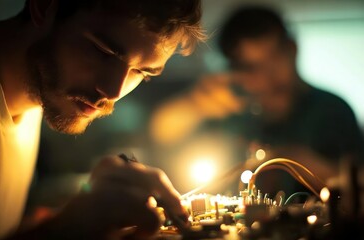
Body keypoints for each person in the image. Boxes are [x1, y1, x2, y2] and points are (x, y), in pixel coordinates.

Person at [0, 0, 207, 239]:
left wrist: (80, 212)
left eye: (141, 72)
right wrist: (62, 231)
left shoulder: (35, 97)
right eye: (103, 51)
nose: (112, 91)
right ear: (44, 6)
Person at [149, 4, 364, 198]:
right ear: (234, 69)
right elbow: (161, 131)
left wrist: (297, 161)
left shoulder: (332, 110)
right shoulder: (228, 109)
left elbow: (358, 182)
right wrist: (194, 104)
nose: (265, 78)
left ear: (292, 49)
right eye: (250, 67)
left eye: (274, 60)